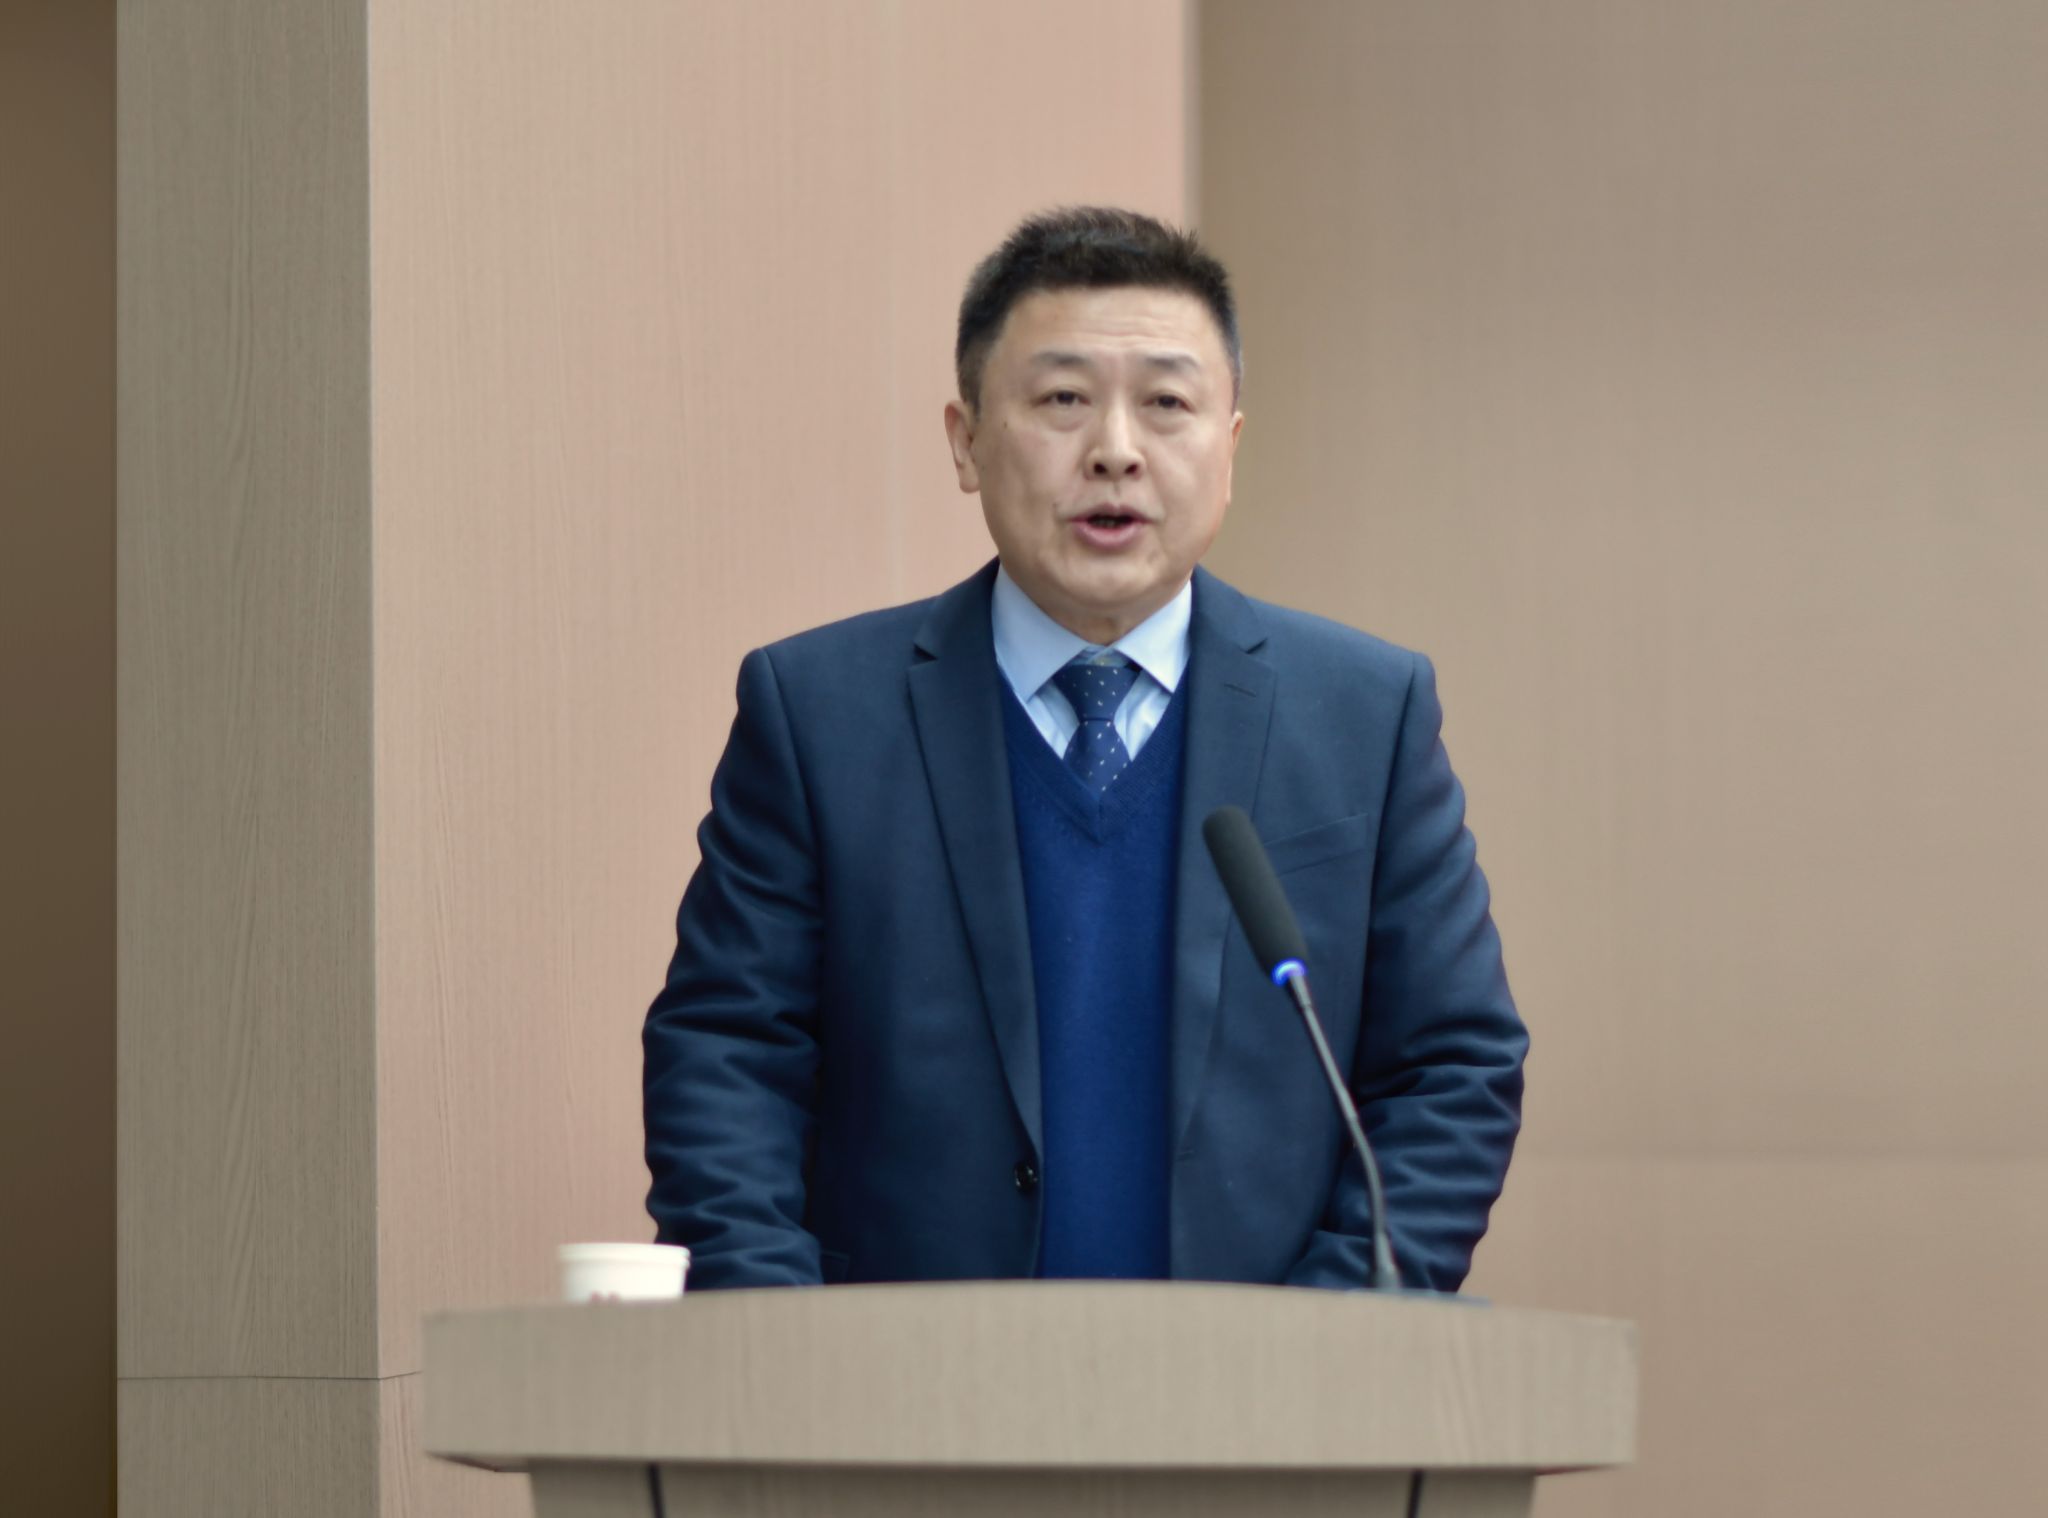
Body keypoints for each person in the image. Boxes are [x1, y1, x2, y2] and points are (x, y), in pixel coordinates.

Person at [643, 207, 1526, 1293]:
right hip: (898, 1379)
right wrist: (785, 1342)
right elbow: (727, 1055)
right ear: (966, 441)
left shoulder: (1365, 715)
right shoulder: (820, 713)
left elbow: (1451, 1067)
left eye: (1166, 404)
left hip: (1265, 1380)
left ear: (1230, 447)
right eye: (1062, 399)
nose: (1114, 450)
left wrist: (1325, 1336)